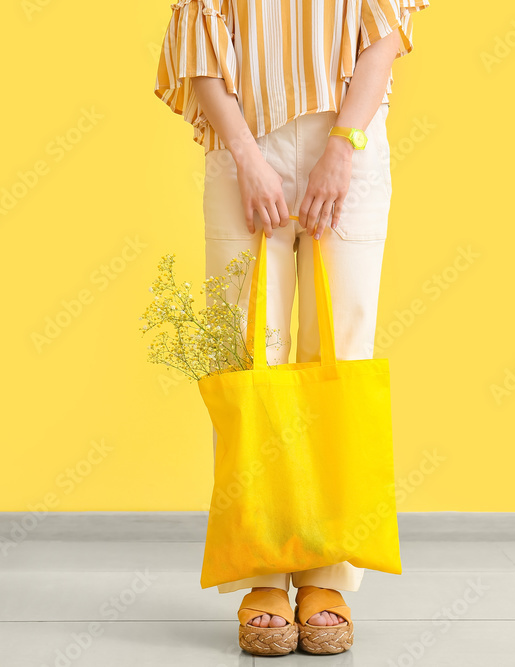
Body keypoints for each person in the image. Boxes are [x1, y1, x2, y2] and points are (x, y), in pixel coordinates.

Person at [154, 0, 429, 655]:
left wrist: (342, 146)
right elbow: (197, 47)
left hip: (350, 137)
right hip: (242, 142)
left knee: (342, 351)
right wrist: (248, 159)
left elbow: (383, 36)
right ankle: (262, 572)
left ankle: (327, 572)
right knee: (250, 359)